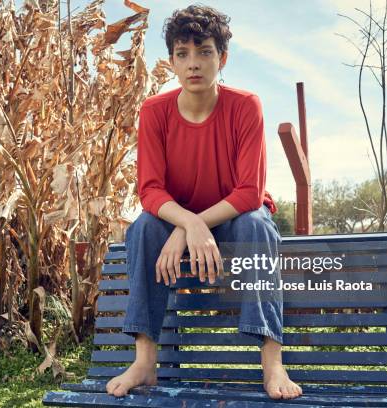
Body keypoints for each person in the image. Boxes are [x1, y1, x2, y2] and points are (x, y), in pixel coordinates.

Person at [106, 4, 303, 400]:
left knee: (257, 223)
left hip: (234, 221)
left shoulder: (245, 106)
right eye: (183, 54)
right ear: (172, 62)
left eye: (205, 52)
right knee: (144, 227)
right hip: (180, 219)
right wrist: (186, 224)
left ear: (222, 58)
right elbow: (150, 190)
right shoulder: (155, 112)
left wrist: (191, 226)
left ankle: (272, 361)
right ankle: (145, 361)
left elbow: (249, 191)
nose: (193, 63)